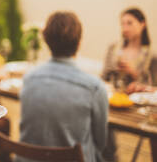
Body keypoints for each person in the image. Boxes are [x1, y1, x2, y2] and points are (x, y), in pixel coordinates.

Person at [17, 11, 108, 162]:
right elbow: (101, 142)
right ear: (79, 43)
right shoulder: (94, 88)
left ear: (45, 40)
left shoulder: (29, 78)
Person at [102, 7, 157, 94]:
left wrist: (134, 73)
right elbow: (104, 77)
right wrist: (114, 70)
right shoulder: (113, 48)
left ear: (142, 24)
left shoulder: (151, 56)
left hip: (137, 103)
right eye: (122, 24)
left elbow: (153, 87)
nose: (125, 28)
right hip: (112, 97)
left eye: (129, 23)